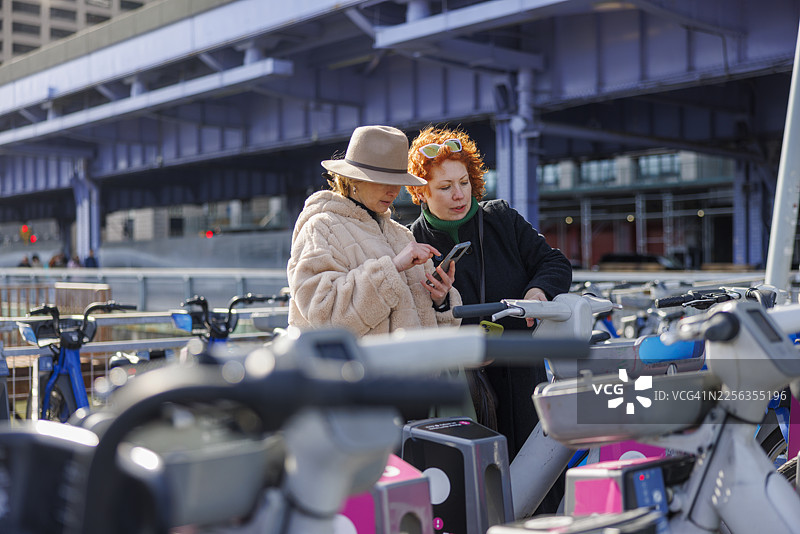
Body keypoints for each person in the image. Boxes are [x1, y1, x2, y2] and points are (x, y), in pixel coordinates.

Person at [406, 126, 573, 459]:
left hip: (521, 376)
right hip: (462, 389)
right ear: (420, 192)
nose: (460, 195)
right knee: (478, 481)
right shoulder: (409, 244)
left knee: (537, 474)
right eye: (445, 186)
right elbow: (416, 326)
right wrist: (439, 303)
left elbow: (554, 263)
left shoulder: (501, 219)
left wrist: (538, 293)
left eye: (464, 182)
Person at [287, 124, 462, 336]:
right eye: (381, 181)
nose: (393, 191)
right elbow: (325, 316)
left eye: (397, 181)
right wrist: (393, 267)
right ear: (353, 179)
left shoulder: (402, 235)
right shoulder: (321, 227)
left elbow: (429, 327)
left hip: (413, 367)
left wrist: (440, 300)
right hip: (355, 369)